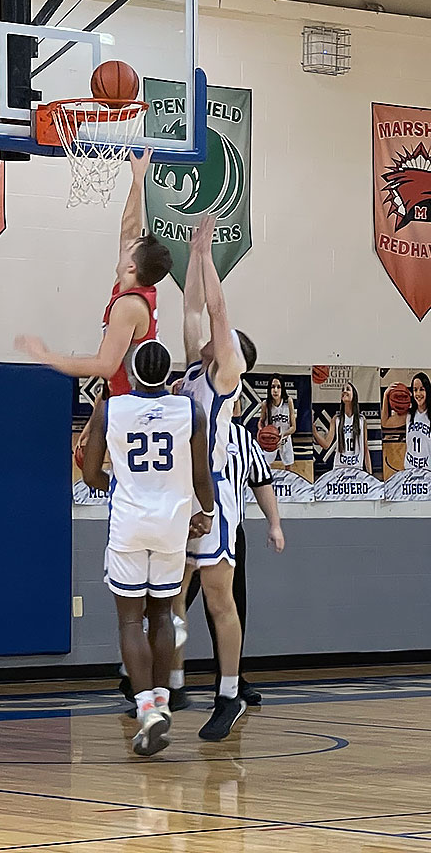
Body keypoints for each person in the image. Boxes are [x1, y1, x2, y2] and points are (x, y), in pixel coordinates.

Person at [81, 339, 215, 756]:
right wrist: (206, 513)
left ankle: (146, 709)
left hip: (129, 523)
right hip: (172, 524)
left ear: (134, 373)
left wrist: (117, 488)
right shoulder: (188, 410)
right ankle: (160, 699)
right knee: (161, 613)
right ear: (166, 376)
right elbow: (200, 475)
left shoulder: (111, 408)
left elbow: (89, 474)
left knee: (128, 621)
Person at [175, 213, 258, 741]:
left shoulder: (226, 376)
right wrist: (191, 255)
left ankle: (228, 695)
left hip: (218, 500)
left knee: (217, 597)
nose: (214, 338)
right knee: (168, 593)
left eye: (227, 339)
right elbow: (190, 306)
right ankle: (171, 682)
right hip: (181, 497)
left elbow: (217, 308)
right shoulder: (189, 370)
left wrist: (208, 254)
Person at [16, 151, 173, 398]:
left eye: (129, 250)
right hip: (124, 396)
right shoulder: (131, 285)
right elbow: (129, 230)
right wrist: (137, 180)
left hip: (134, 404)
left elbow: (105, 365)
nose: (125, 246)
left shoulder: (129, 305)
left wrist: (46, 356)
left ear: (132, 266)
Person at [175, 418, 286, 709]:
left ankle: (232, 681)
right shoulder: (185, 426)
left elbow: (262, 481)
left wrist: (274, 524)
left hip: (230, 532)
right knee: (172, 606)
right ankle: (151, 680)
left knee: (230, 608)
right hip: (187, 530)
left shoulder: (243, 438)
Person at [381, 372, 431, 479]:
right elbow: (385, 422)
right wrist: (386, 396)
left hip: (428, 471)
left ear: (427, 391)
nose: (418, 393)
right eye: (415, 389)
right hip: (410, 469)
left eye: (421, 389)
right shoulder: (408, 415)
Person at [312, 382, 372, 474]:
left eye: (348, 389)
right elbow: (326, 445)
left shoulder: (361, 419)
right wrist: (315, 432)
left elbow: (365, 448)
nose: (344, 391)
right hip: (339, 467)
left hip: (357, 467)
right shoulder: (336, 418)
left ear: (354, 395)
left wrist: (370, 474)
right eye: (342, 390)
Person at [260, 374, 297, 468]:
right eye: (272, 387)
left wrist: (283, 434)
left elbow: (293, 427)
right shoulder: (265, 404)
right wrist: (261, 430)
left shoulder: (288, 401)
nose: (275, 390)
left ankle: (289, 483)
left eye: (278, 387)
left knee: (289, 467)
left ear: (282, 389)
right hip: (270, 439)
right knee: (266, 466)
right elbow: (261, 421)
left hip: (285, 438)